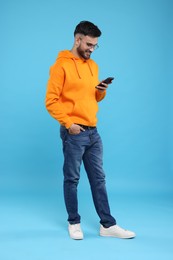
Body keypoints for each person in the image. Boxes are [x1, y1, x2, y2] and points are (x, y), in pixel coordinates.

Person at [45, 21, 136, 240]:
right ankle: (74, 222)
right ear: (77, 39)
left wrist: (101, 90)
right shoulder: (61, 65)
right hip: (74, 133)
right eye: (88, 44)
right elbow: (51, 101)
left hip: (93, 132)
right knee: (72, 179)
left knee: (99, 180)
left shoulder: (92, 66)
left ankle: (107, 225)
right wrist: (68, 124)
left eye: (95, 45)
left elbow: (93, 98)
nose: (91, 49)